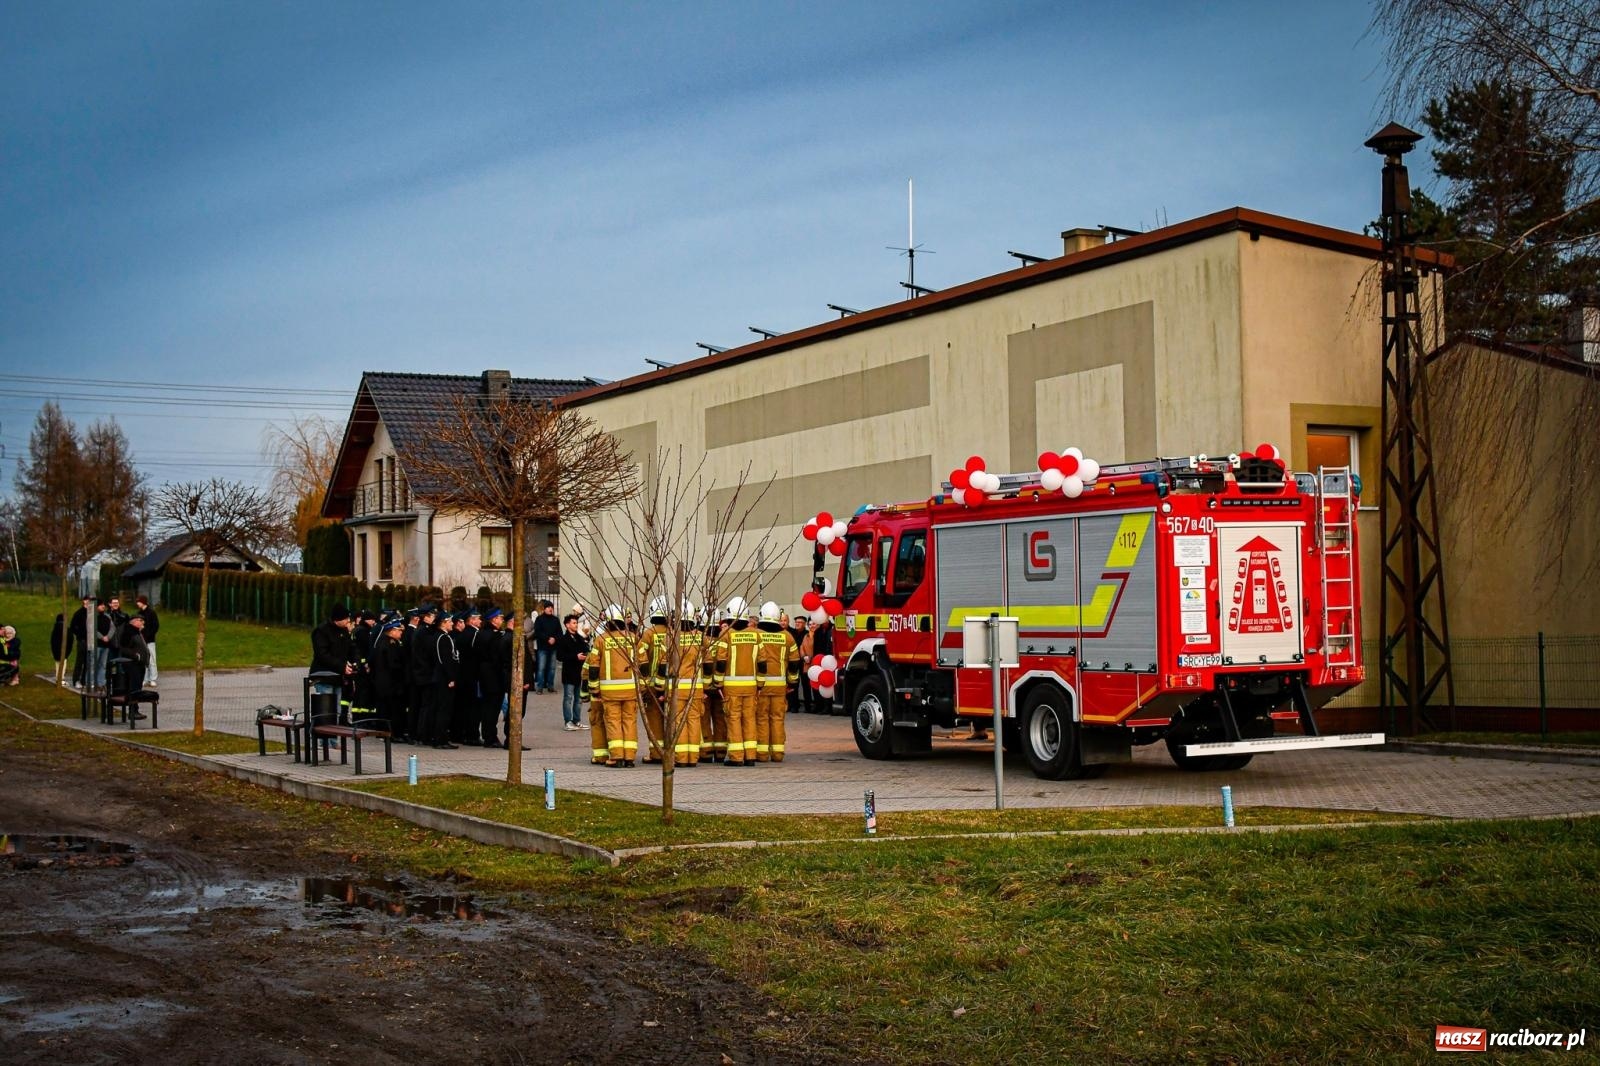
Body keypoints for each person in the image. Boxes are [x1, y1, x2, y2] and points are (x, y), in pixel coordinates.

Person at [589, 605, 638, 766]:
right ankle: (629, 757)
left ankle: (617, 757)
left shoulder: (601, 639)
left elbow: (593, 667)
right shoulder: (633, 638)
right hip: (631, 690)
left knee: (613, 722)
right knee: (630, 721)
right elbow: (643, 665)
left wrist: (594, 688)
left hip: (609, 692)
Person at [754, 601, 800, 762]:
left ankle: (761, 754)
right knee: (777, 718)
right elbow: (794, 663)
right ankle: (778, 753)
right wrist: (792, 683)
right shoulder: (787, 636)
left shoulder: (756, 634)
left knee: (761, 718)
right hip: (780, 686)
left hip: (762, 686)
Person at [554, 613, 589, 730]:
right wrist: (575, 656)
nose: (576, 625)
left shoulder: (580, 638)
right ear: (567, 625)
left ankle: (577, 720)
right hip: (569, 673)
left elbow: (586, 649)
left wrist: (586, 654)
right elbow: (560, 656)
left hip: (580, 673)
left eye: (576, 623)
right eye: (574, 623)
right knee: (568, 698)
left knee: (579, 699)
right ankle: (568, 721)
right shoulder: (563, 639)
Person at [116, 613, 151, 718]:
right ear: (134, 621)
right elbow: (123, 648)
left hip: (139, 665)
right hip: (133, 664)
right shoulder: (128, 632)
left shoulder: (137, 632)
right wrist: (136, 656)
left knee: (137, 687)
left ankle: (135, 709)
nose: (142, 623)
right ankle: (132, 710)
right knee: (134, 688)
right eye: (140, 621)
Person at [531, 600, 561, 693]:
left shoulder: (556, 620)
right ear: (544, 609)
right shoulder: (539, 619)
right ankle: (539, 687)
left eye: (551, 607)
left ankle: (550, 686)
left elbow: (560, 633)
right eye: (548, 607)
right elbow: (537, 632)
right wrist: (548, 638)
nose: (550, 609)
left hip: (553, 648)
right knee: (541, 668)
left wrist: (554, 639)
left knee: (552, 668)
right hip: (543, 647)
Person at [134, 594, 160, 687]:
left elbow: (155, 626)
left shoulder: (151, 613)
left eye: (139, 602)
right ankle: (145, 678)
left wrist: (149, 635)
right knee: (143, 660)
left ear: (143, 602)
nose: (137, 603)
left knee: (152, 659)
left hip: (150, 640)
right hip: (141, 641)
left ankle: (152, 678)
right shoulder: (138, 613)